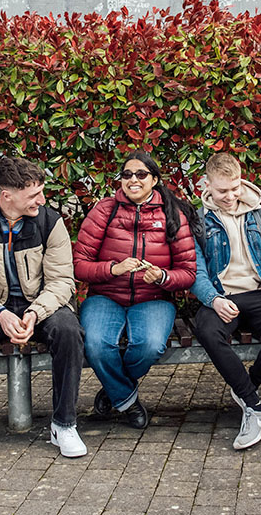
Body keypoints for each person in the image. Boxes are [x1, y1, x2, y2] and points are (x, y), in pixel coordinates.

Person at [0, 157, 86, 462]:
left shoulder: (50, 222)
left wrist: (35, 312)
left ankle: (64, 424)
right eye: (34, 195)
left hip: (40, 303)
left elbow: (62, 281)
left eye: (41, 193)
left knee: (69, 329)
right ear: (7, 195)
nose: (42, 200)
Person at [73, 151, 197, 428]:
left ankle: (111, 392)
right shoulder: (104, 210)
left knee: (150, 346)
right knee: (96, 345)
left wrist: (163, 277)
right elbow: (79, 266)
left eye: (141, 174)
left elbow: (188, 273)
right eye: (127, 174)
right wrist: (112, 269)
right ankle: (127, 401)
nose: (133, 180)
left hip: (153, 298)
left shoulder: (172, 214)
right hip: (105, 296)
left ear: (154, 179)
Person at [190, 152, 261, 449]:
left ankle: (246, 389)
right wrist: (212, 299)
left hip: (260, 293)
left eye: (235, 187)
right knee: (208, 331)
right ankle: (256, 407)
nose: (230, 196)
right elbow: (196, 269)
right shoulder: (198, 220)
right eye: (222, 190)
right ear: (207, 185)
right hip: (222, 295)